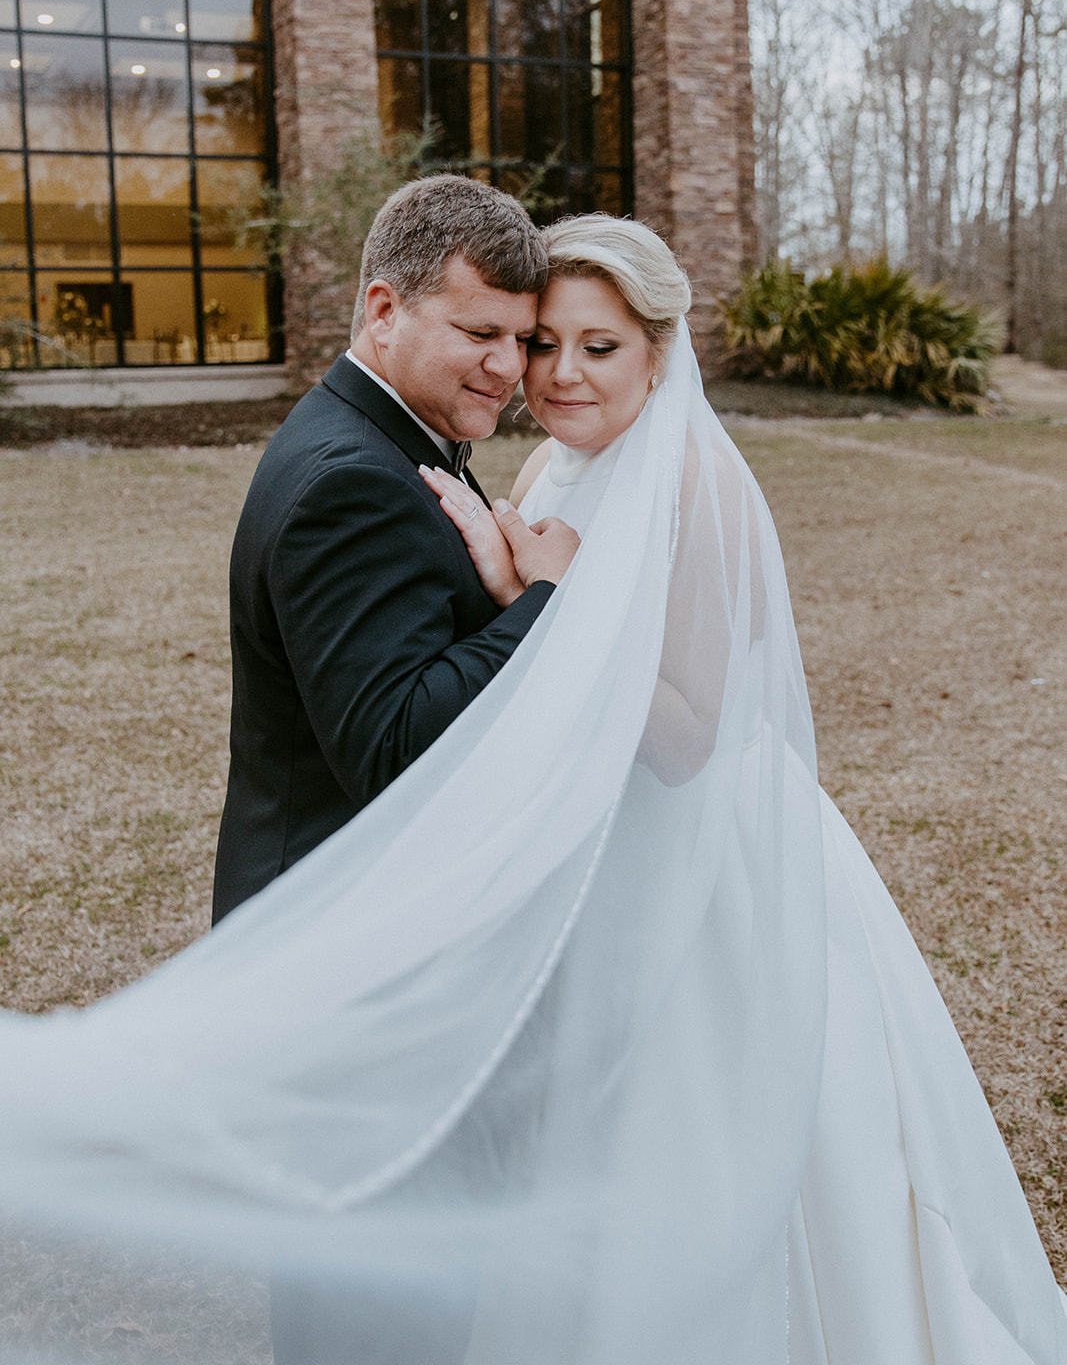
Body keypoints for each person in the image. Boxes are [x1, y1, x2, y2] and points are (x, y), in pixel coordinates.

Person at [0, 217, 1064, 1365]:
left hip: (696, 862)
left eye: (593, 347)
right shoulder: (549, 464)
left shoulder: (695, 478)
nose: (548, 373)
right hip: (580, 863)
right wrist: (533, 599)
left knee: (699, 1141)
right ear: (385, 310)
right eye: (533, 340)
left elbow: (691, 735)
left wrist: (539, 603)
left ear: (659, 351)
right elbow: (493, 654)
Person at [212, 173, 579, 921]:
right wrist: (547, 601)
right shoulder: (352, 484)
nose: (510, 368)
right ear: (384, 312)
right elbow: (392, 746)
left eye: (521, 339)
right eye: (479, 334)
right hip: (329, 925)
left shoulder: (379, 433)